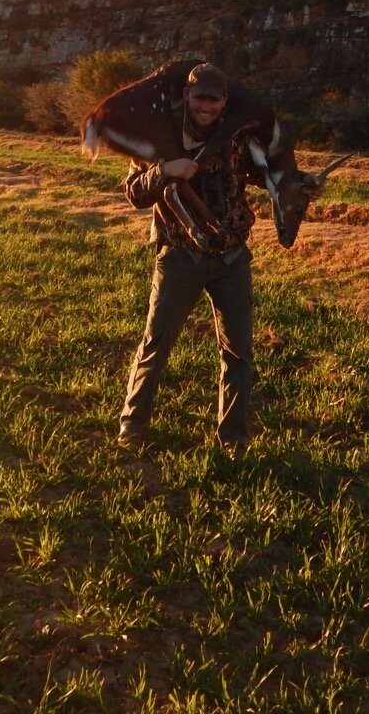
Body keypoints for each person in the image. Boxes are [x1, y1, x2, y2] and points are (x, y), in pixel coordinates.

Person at [116, 62, 271, 457]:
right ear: (187, 95)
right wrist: (165, 170)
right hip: (180, 257)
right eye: (199, 97)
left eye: (213, 99)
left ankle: (233, 441)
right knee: (157, 345)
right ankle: (132, 429)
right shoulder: (160, 137)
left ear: (223, 101)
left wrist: (300, 183)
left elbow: (266, 175)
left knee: (239, 354)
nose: (206, 106)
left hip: (232, 258)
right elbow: (133, 193)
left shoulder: (238, 136)